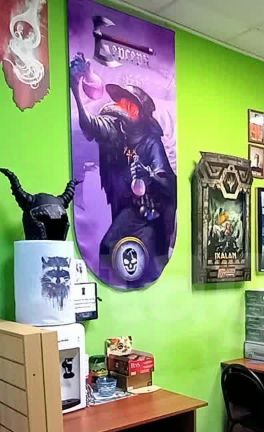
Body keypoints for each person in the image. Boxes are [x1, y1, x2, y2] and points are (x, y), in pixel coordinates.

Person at [70, 67, 174, 286]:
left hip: (148, 213)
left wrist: (148, 176)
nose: (121, 106)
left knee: (127, 250)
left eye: (129, 104)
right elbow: (90, 124)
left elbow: (167, 180)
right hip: (126, 207)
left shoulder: (151, 141)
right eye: (120, 102)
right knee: (109, 249)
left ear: (141, 113)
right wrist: (76, 91)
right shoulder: (116, 130)